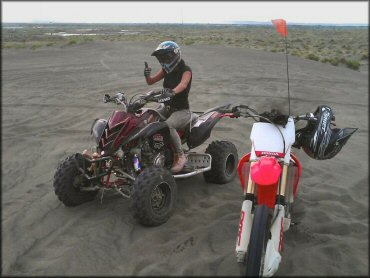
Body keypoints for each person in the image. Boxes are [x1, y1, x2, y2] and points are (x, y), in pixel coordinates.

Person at [144, 41, 192, 173]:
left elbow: (183, 84)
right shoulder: (166, 70)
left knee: (167, 125)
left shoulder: (186, 70)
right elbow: (151, 81)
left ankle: (180, 156)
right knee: (147, 116)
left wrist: (172, 92)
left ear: (174, 55)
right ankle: (149, 150)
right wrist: (147, 75)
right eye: (162, 58)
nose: (164, 60)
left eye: (166, 57)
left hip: (182, 111)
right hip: (167, 108)